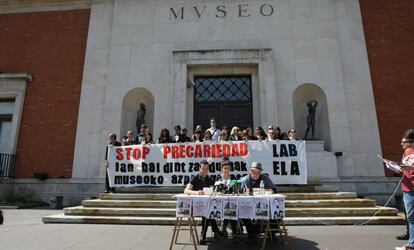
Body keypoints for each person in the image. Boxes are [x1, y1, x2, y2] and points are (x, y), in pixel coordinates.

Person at [184, 160, 224, 245]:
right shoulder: (195, 178)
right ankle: (213, 231)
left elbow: (214, 191)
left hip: (207, 205)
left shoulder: (210, 179)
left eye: (206, 169)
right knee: (208, 211)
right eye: (203, 169)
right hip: (196, 205)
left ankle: (207, 234)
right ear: (199, 169)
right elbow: (186, 190)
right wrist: (196, 192)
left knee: (209, 210)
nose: (205, 171)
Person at [240, 162, 277, 241]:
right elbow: (240, 191)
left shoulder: (265, 178)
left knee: (274, 209)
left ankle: (271, 232)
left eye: (258, 173)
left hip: (263, 203)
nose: (255, 174)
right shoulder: (245, 179)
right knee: (242, 212)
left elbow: (274, 189)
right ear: (250, 171)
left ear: (260, 173)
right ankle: (251, 232)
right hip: (249, 204)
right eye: (254, 172)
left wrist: (269, 190)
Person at [396, 129, 414, 250]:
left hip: (412, 186)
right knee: (411, 218)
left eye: (405, 142)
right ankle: (411, 243)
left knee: (412, 218)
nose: (402, 144)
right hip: (407, 187)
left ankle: (411, 245)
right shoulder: (406, 154)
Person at [216, 159, 238, 238]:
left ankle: (232, 230)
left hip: (231, 200)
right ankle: (227, 229)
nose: (226, 170)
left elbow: (236, 189)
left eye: (228, 168)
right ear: (222, 168)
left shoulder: (232, 177)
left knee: (231, 209)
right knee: (228, 209)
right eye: (225, 168)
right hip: (220, 202)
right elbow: (216, 190)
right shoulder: (219, 178)